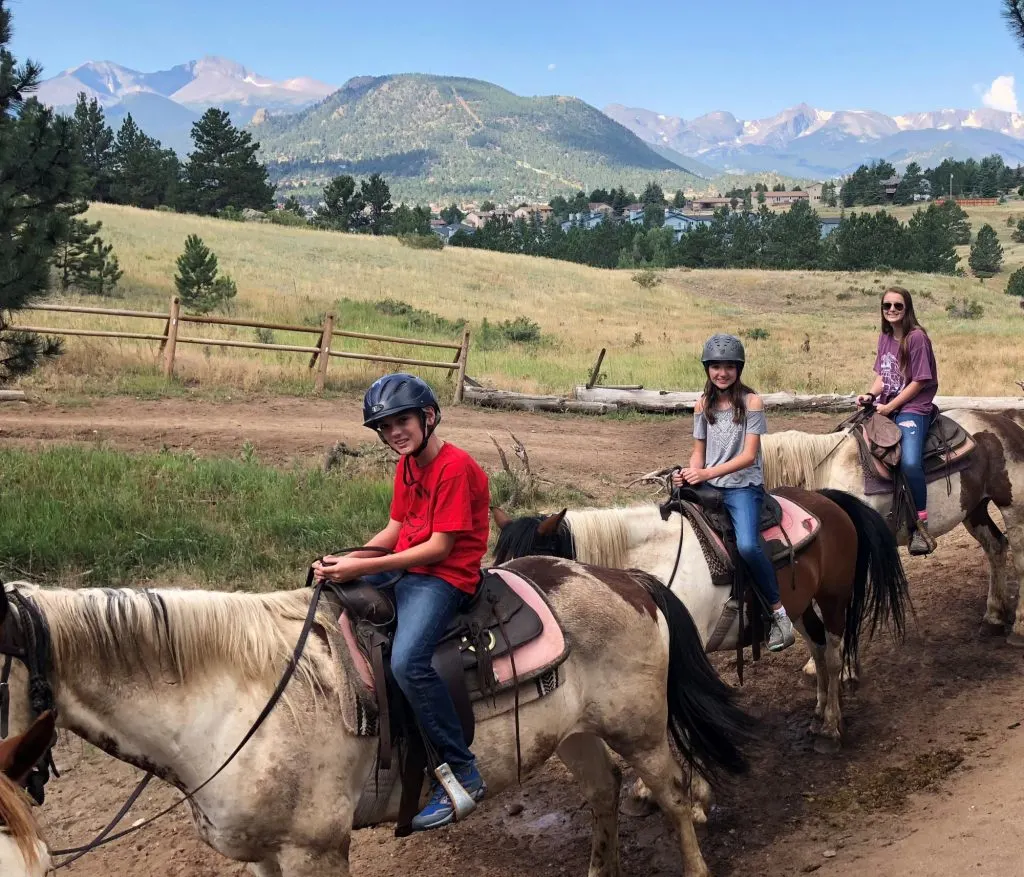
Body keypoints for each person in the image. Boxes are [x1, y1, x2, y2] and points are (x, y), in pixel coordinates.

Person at [313, 373, 490, 831]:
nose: (394, 433)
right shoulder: (407, 465)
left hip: (444, 576)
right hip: (410, 563)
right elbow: (395, 531)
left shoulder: (454, 467)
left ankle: (464, 770)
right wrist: (350, 559)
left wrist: (362, 568)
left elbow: (439, 548)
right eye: (385, 427)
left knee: (408, 661)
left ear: (428, 417)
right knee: (333, 596)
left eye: (402, 421)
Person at [672, 333, 795, 652]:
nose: (721, 373)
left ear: (738, 369)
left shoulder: (751, 402)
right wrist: (690, 472)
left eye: (728, 367)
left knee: (748, 546)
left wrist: (706, 472)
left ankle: (779, 613)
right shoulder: (702, 404)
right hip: (709, 485)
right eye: (715, 367)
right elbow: (699, 450)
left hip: (744, 487)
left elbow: (748, 456)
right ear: (707, 369)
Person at [856, 286, 938, 556]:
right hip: (887, 404)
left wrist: (890, 406)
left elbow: (919, 381)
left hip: (914, 407)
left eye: (898, 306)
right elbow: (883, 374)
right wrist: (870, 394)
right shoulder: (886, 336)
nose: (891, 310)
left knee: (910, 461)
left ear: (907, 309)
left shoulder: (916, 338)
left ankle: (920, 525)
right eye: (887, 306)